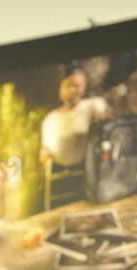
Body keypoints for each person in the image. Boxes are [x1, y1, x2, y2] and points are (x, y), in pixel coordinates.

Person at [40, 66, 112, 206]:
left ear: (84, 87)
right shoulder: (51, 118)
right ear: (60, 90)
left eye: (77, 86)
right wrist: (44, 153)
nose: (73, 90)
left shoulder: (92, 105)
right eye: (68, 86)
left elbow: (104, 114)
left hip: (89, 172)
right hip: (60, 172)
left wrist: (102, 117)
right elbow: (46, 147)